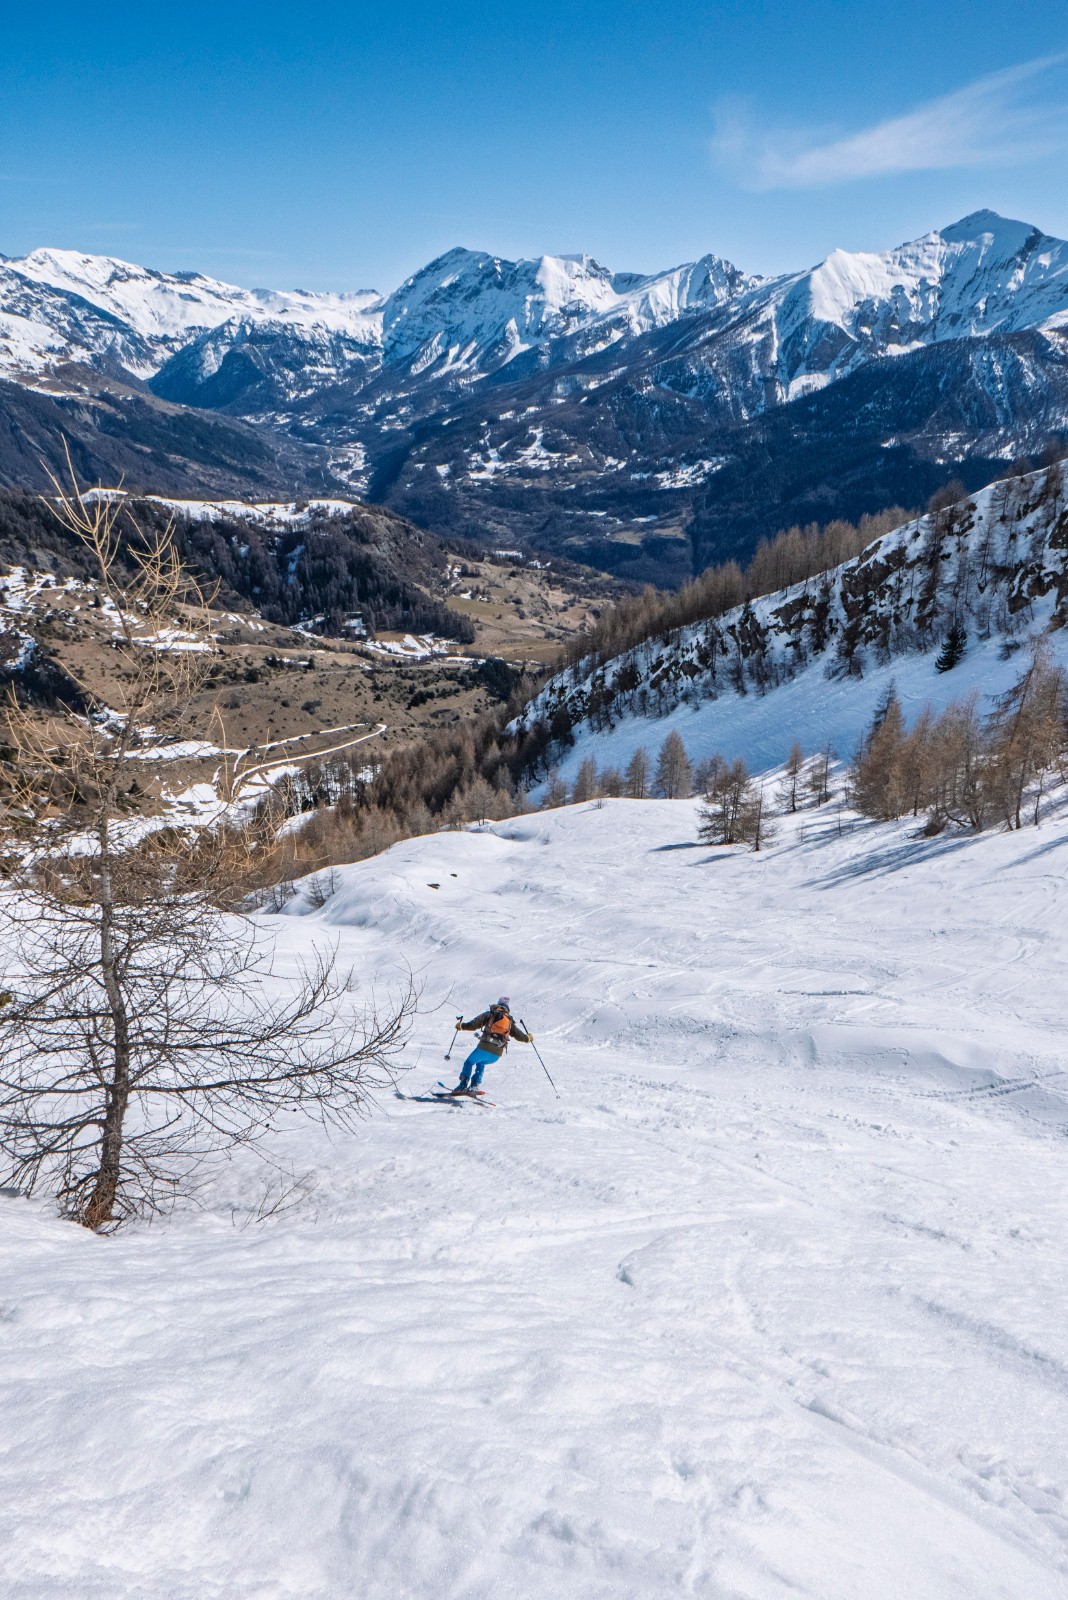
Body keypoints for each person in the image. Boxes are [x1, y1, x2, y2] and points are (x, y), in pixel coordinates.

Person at [451, 997, 533, 1094]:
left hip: (484, 1048)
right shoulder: (509, 1020)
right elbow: (518, 1035)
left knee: (469, 1062)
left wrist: (461, 1026)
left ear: (497, 1005)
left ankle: (462, 1085)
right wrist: (527, 1038)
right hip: (496, 1054)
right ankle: (475, 1085)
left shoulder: (490, 1014)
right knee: (481, 1063)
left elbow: (474, 1024)